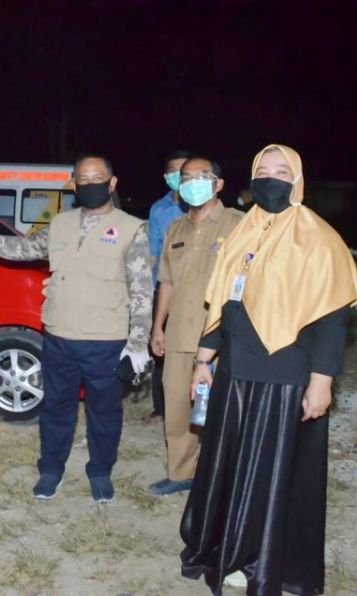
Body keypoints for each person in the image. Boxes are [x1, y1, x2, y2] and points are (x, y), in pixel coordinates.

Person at [180, 145, 357, 594]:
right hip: (235, 371)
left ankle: (259, 560)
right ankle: (223, 548)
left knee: (267, 475)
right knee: (228, 465)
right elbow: (223, 305)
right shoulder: (244, 231)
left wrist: (322, 382)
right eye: (263, 170)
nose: (271, 178)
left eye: (282, 171)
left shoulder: (318, 238)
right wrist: (203, 361)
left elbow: (332, 321)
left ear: (297, 180)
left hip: (284, 376)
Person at [0, 155, 152, 503]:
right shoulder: (60, 224)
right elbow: (19, 249)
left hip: (106, 340)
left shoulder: (132, 228)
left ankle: (100, 471)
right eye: (83, 179)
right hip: (59, 335)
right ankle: (51, 470)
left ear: (112, 183)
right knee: (55, 409)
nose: (90, 184)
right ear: (74, 185)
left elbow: (142, 289)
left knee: (104, 414)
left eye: (97, 178)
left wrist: (138, 343)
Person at [148, 157, 243, 496]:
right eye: (186, 178)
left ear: (218, 184)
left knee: (223, 411)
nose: (192, 183)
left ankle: (223, 476)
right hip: (179, 335)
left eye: (201, 177)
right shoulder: (175, 229)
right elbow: (167, 282)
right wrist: (158, 327)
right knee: (177, 408)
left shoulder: (239, 225)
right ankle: (181, 473)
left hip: (223, 338)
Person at [146, 150, 192, 422]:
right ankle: (161, 408)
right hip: (163, 288)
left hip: (194, 293)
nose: (178, 175)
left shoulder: (199, 206)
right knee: (160, 349)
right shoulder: (159, 209)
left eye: (183, 170)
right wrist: (150, 288)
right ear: (166, 177)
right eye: (173, 171)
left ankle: (192, 406)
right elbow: (152, 253)